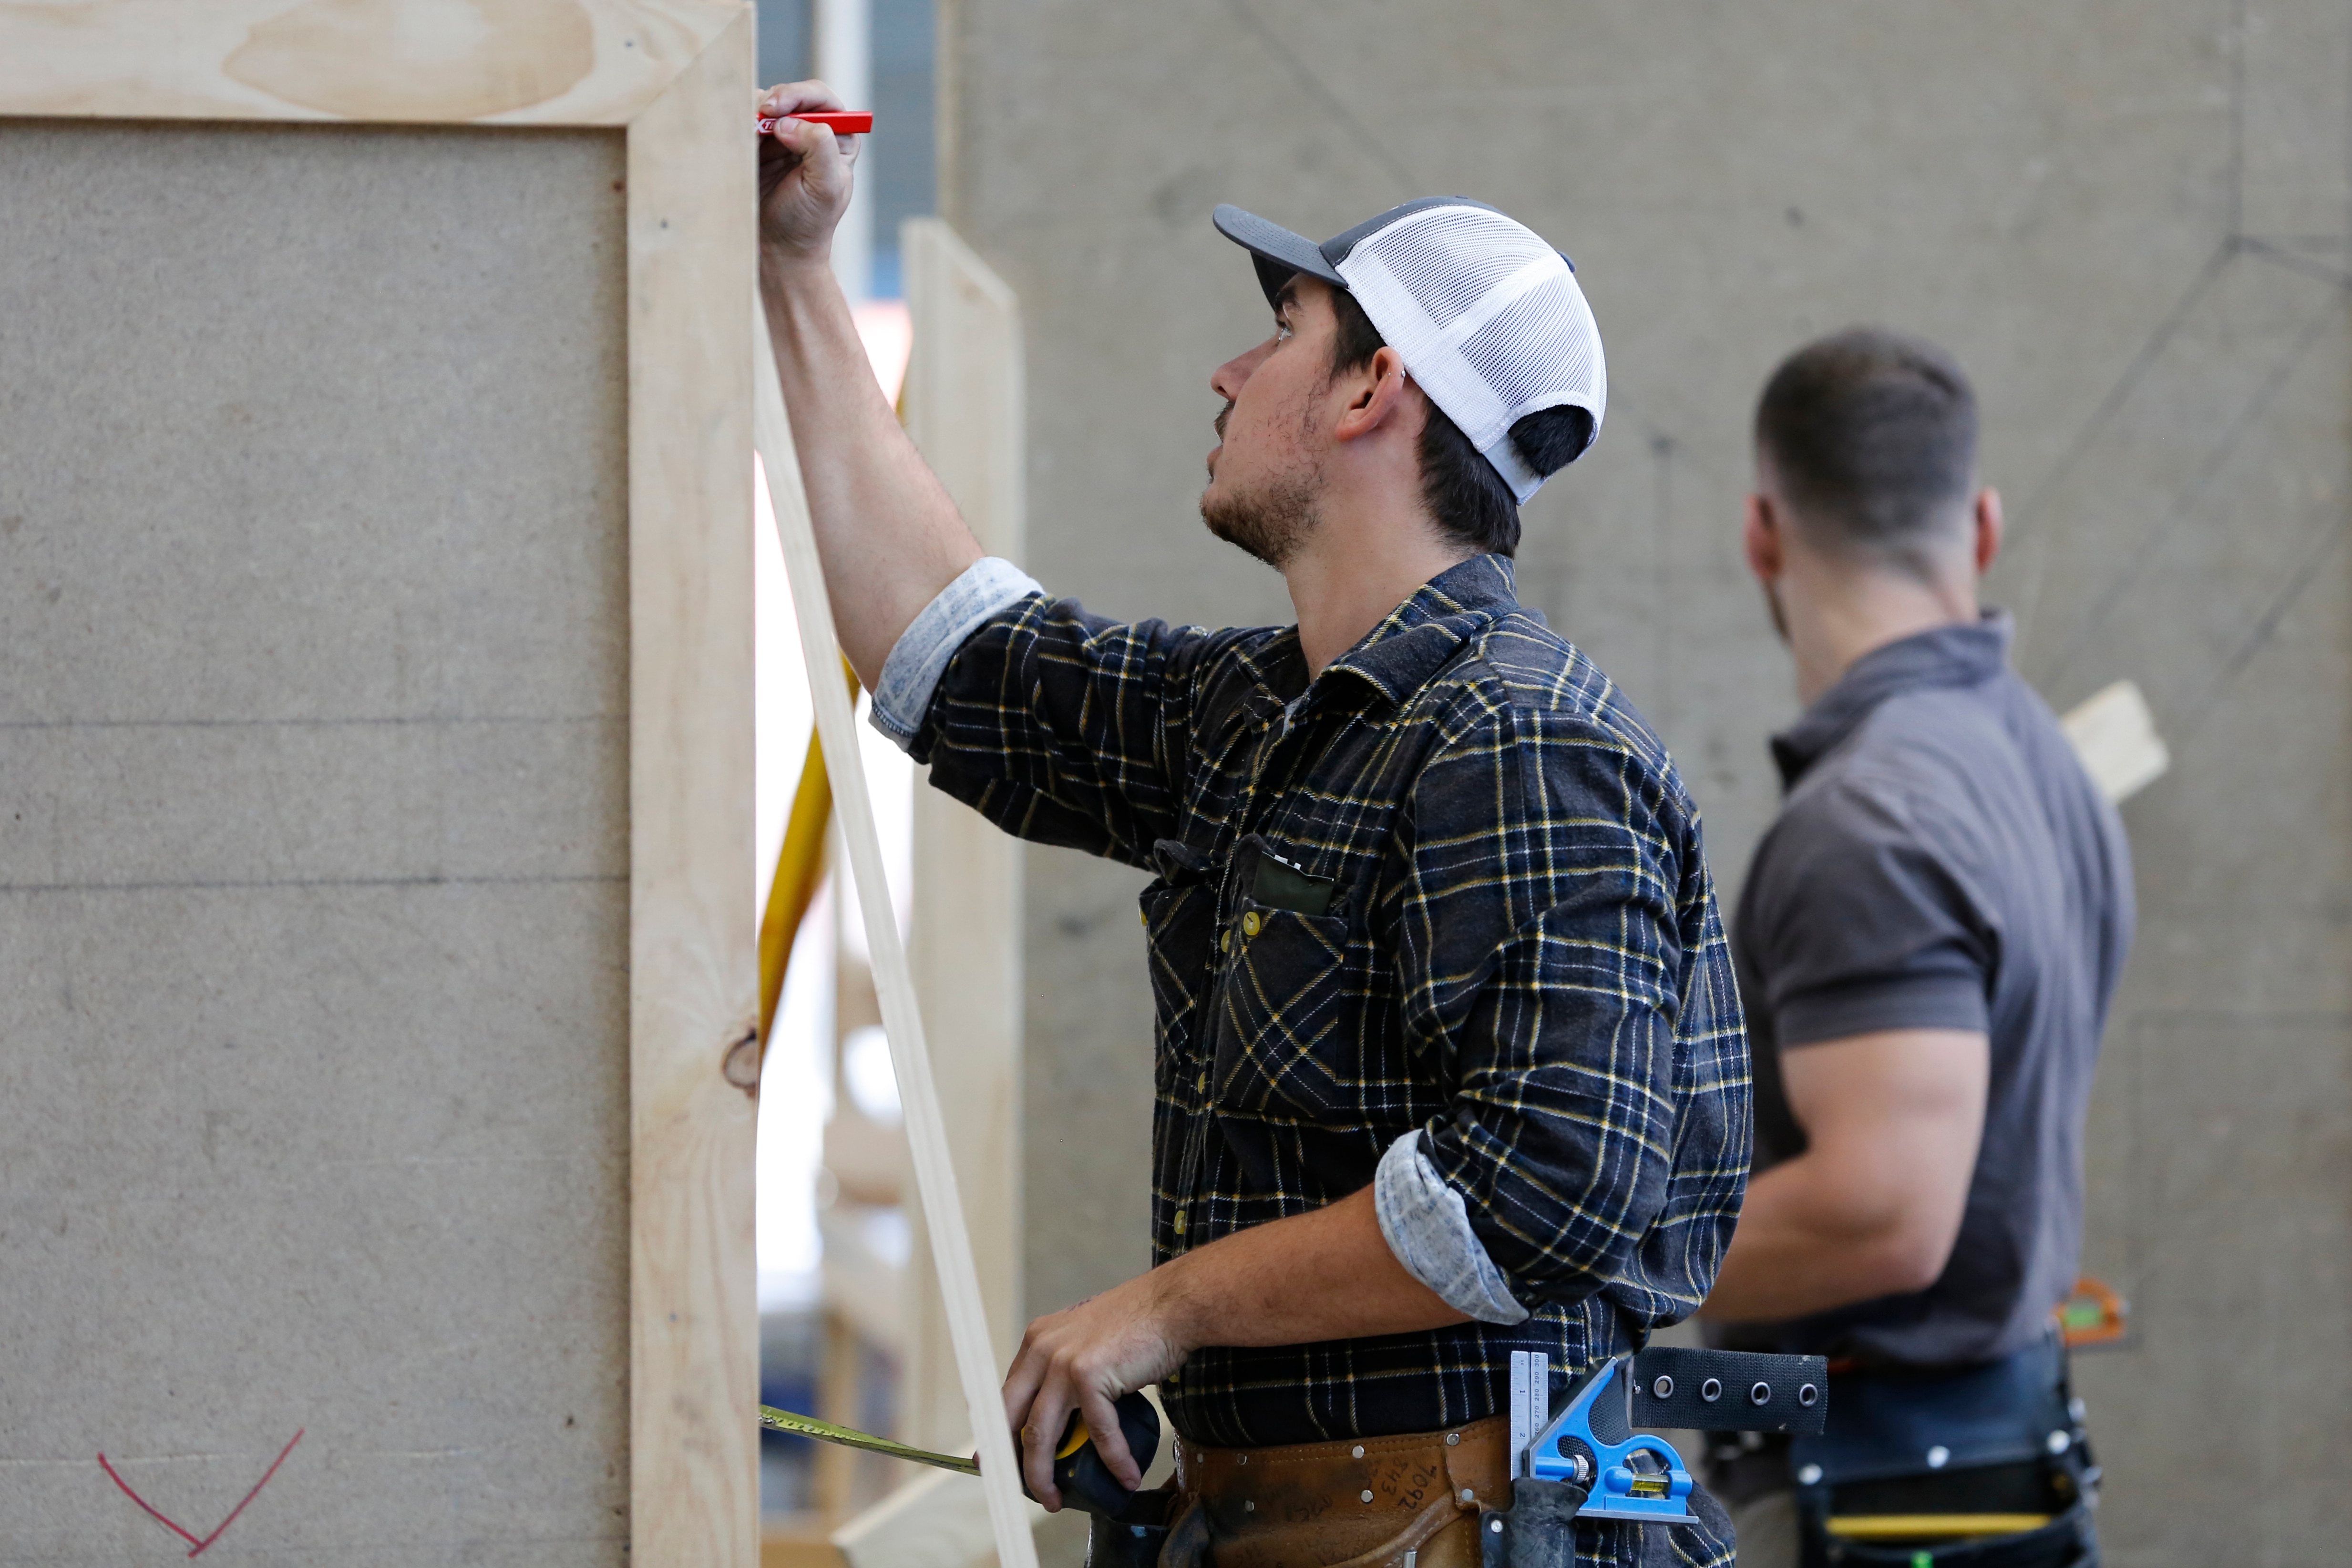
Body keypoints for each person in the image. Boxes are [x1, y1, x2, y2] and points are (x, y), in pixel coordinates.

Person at [758, 82, 1751, 1568]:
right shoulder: (1271, 715)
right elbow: (959, 666)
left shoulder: (1523, 737)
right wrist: (794, 272)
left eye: (1283, 329)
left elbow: (1536, 1188)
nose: (1231, 372)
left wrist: (1161, 1308)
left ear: (1370, 389)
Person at [1698, 328, 2134, 1568]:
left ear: (1761, 535)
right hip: (1980, 1461)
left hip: (1879, 1495)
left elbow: (1881, 1212)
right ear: (1983, 525)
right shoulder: (2048, 770)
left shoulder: (1872, 820)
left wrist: (1567, 1248)